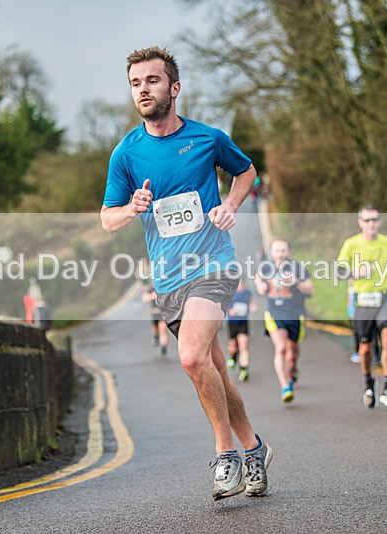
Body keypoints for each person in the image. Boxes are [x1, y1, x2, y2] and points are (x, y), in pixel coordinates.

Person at [100, 46, 271, 501]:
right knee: (213, 366)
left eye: (152, 81)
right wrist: (130, 208)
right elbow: (107, 219)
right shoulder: (126, 153)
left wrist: (231, 206)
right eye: (136, 83)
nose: (143, 90)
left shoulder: (208, 138)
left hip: (213, 264)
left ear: (174, 88)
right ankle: (254, 448)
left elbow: (246, 171)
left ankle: (226, 456)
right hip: (169, 278)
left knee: (193, 358)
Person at [336, 205, 387, 408]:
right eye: (367, 220)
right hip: (363, 300)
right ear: (360, 222)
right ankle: (368, 382)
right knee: (365, 348)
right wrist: (357, 272)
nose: (371, 224)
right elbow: (340, 272)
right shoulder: (351, 244)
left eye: (374, 220)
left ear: (380, 221)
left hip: (384, 299)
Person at [255, 239, 314, 403]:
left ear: (288, 251)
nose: (280, 254)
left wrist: (296, 282)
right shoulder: (266, 267)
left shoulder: (297, 268)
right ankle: (285, 386)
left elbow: (310, 289)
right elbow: (258, 280)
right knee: (281, 348)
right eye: (277, 250)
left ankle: (293, 369)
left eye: (283, 250)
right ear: (271, 252)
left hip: (295, 314)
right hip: (275, 314)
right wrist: (261, 286)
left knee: (292, 353)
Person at [226, 278, 256, 381]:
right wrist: (230, 311)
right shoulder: (231, 293)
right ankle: (232, 356)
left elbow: (251, 304)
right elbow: (224, 306)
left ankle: (244, 369)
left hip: (243, 323)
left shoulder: (247, 293)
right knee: (233, 345)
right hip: (233, 323)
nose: (241, 286)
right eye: (239, 284)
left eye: (243, 284)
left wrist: (253, 308)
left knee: (244, 346)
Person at [139, 258, 169, 356]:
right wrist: (152, 296)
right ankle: (155, 337)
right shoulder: (148, 286)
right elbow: (144, 299)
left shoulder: (164, 284)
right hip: (154, 311)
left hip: (162, 312)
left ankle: (163, 347)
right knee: (155, 329)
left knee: (163, 329)